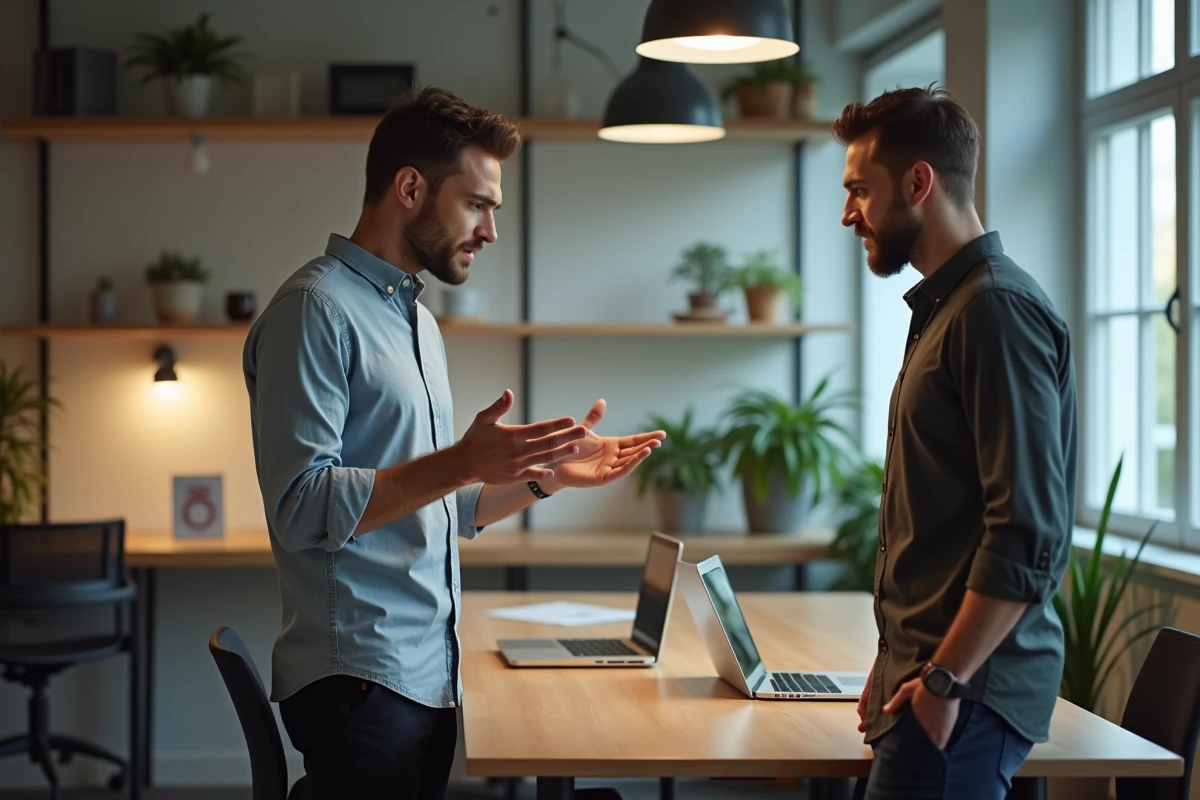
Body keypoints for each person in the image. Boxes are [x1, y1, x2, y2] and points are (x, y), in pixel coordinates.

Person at [242, 85, 666, 800]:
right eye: (478, 204)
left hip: (421, 673)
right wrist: (461, 461)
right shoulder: (315, 311)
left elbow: (436, 504)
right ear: (410, 188)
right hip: (361, 681)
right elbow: (299, 504)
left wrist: (544, 477)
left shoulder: (415, 321)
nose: (491, 231)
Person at [833, 85, 1077, 799]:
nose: (850, 214)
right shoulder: (951, 307)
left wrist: (943, 677)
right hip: (932, 681)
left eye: (859, 190)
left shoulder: (993, 310)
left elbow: (1027, 530)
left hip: (963, 693)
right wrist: (897, 666)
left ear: (918, 182)